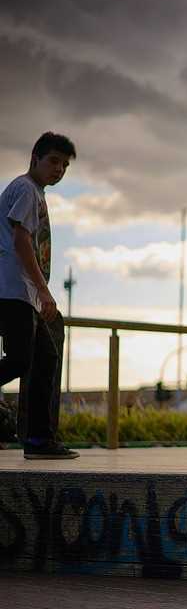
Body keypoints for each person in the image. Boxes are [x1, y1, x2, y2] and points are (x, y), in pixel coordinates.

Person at [0, 132, 77, 459]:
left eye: (64, 164)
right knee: (23, 358)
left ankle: (38, 440)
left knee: (44, 358)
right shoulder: (27, 190)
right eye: (53, 161)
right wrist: (44, 291)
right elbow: (21, 241)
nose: (58, 169)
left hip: (22, 292)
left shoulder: (30, 191)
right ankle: (37, 439)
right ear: (35, 158)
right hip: (14, 290)